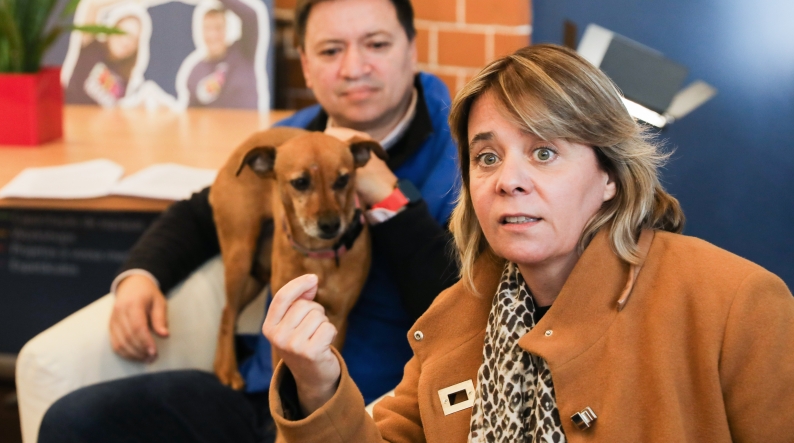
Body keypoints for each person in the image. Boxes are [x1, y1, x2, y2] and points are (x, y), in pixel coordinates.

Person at [263, 44, 794, 442]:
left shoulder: (736, 306)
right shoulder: (453, 321)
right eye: (487, 157)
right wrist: (317, 382)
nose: (507, 180)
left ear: (610, 173)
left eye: (543, 153)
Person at [38, 0, 459, 441]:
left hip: (369, 413)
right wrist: (140, 276)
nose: (354, 67)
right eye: (331, 51)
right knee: (75, 421)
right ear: (308, 67)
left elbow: (460, 305)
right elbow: (205, 210)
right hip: (261, 391)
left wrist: (388, 197)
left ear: (411, 50)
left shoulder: (464, 158)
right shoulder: (289, 138)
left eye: (376, 44)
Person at [65, 1, 148, 106]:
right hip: (69, 117)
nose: (126, 42)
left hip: (99, 122)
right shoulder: (92, 45)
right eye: (123, 33)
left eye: (134, 39)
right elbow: (93, 6)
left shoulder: (125, 74)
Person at [186, 0, 262, 108]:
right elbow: (191, 115)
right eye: (208, 28)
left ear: (226, 29)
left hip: (248, 123)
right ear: (201, 32)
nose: (213, 34)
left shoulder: (243, 51)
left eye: (218, 27)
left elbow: (250, 16)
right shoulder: (195, 72)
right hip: (215, 125)